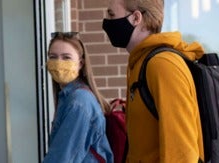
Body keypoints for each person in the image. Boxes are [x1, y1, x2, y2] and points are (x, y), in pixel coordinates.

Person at [102, 0, 204, 162]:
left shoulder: (162, 65)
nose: (106, 21)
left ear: (136, 18)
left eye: (112, 14)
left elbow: (182, 154)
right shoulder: (140, 63)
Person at [43, 32, 114, 163]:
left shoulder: (79, 102)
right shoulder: (69, 97)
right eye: (53, 57)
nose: (58, 63)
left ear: (80, 63)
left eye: (66, 58)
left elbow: (61, 158)